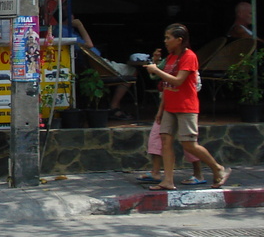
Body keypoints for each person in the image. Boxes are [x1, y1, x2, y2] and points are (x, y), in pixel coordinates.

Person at [142, 23, 230, 190]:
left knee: (189, 144)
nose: (165, 41)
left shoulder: (189, 57)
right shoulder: (170, 57)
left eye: (168, 38)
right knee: (165, 140)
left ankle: (218, 168)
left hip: (185, 106)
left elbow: (178, 80)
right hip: (170, 106)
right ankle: (168, 180)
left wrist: (156, 70)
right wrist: (154, 65)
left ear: (179, 40)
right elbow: (157, 75)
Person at [72, 17, 135, 120]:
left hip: (100, 62)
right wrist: (80, 26)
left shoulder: (70, 31)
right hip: (98, 65)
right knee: (132, 70)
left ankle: (115, 105)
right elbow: (89, 44)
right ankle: (114, 105)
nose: (74, 18)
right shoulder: (66, 31)